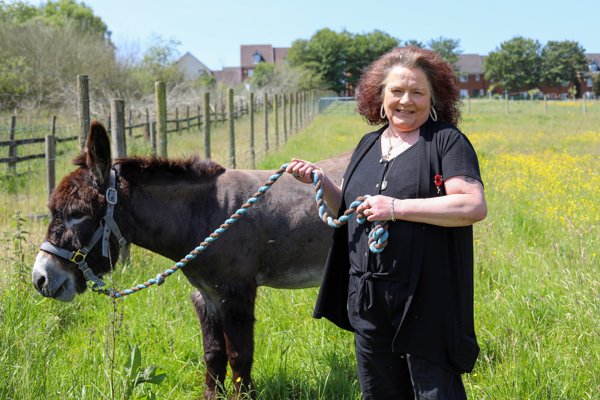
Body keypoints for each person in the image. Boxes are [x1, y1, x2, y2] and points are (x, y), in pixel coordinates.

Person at [286, 46, 487, 400]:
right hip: (367, 298)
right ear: (379, 96)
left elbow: (471, 205)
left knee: (434, 394)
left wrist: (396, 207)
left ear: (433, 97)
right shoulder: (367, 144)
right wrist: (322, 181)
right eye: (396, 91)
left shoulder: (446, 141)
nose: (405, 101)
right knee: (378, 393)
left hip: (425, 299)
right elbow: (349, 209)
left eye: (417, 92)